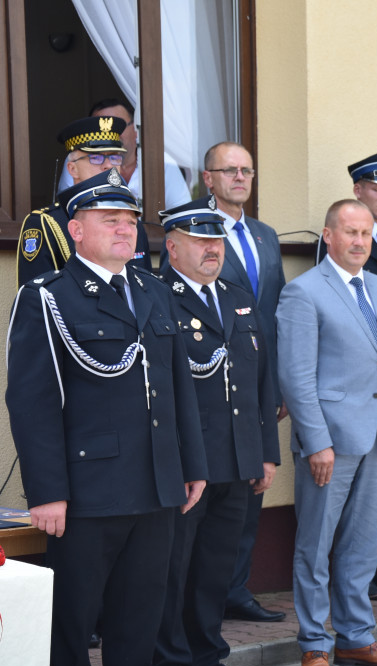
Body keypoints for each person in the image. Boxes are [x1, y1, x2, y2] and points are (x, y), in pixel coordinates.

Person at [6, 170, 207, 666]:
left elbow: (180, 384)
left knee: (139, 623)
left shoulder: (153, 290)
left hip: (158, 488)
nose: (125, 229)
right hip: (87, 493)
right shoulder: (48, 297)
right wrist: (47, 492)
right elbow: (33, 402)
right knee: (70, 627)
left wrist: (192, 464)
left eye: (131, 220)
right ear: (75, 229)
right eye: (109, 219)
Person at [278, 199, 377, 666]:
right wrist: (316, 442)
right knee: (315, 547)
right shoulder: (304, 293)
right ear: (328, 236)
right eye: (350, 233)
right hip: (330, 445)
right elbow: (296, 378)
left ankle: (356, 639)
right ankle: (314, 644)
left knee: (363, 545)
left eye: (365, 234)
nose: (360, 241)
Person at [151, 196, 281, 666]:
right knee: (174, 571)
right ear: (173, 246)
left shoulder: (236, 296)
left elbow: (261, 382)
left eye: (217, 240)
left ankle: (208, 661)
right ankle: (172, 665)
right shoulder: (157, 297)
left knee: (213, 573)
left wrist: (266, 454)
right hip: (189, 464)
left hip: (237, 460)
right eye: (200, 240)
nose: (212, 249)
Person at [316, 149, 377, 600]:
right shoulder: (339, 240)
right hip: (350, 400)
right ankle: (353, 578)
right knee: (342, 506)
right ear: (357, 189)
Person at [197, 141, 290, 624]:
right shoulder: (196, 229)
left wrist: (275, 385)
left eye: (246, 170)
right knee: (217, 489)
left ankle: (236, 589)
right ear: (207, 178)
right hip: (212, 382)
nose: (239, 178)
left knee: (254, 487)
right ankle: (205, 595)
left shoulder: (265, 235)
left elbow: (270, 318)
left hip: (258, 382)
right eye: (228, 170)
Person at [16, 115, 151, 286]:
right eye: (96, 157)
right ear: (72, 169)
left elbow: (147, 292)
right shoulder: (48, 223)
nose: (108, 165)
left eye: (115, 157)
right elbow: (38, 301)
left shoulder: (132, 223)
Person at [57, 98, 192, 208]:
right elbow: (68, 207)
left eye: (118, 127)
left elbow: (181, 213)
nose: (108, 136)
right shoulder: (78, 160)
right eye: (96, 157)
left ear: (135, 129)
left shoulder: (163, 163)